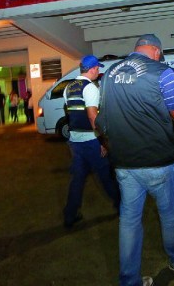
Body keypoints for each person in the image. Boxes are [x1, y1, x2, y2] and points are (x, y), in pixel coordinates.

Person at [96, 34, 174, 286]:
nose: (160, 57)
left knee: (129, 222)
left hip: (124, 164)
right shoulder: (162, 72)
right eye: (159, 54)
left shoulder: (109, 74)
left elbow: (101, 121)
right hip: (159, 160)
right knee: (170, 213)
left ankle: (129, 281)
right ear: (154, 50)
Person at [62, 55, 120, 229]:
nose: (99, 71)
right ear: (93, 68)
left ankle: (70, 216)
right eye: (98, 68)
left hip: (75, 141)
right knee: (106, 177)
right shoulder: (90, 88)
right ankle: (122, 207)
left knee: (77, 179)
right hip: (91, 140)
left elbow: (70, 113)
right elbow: (92, 116)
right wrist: (102, 141)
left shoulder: (69, 88)